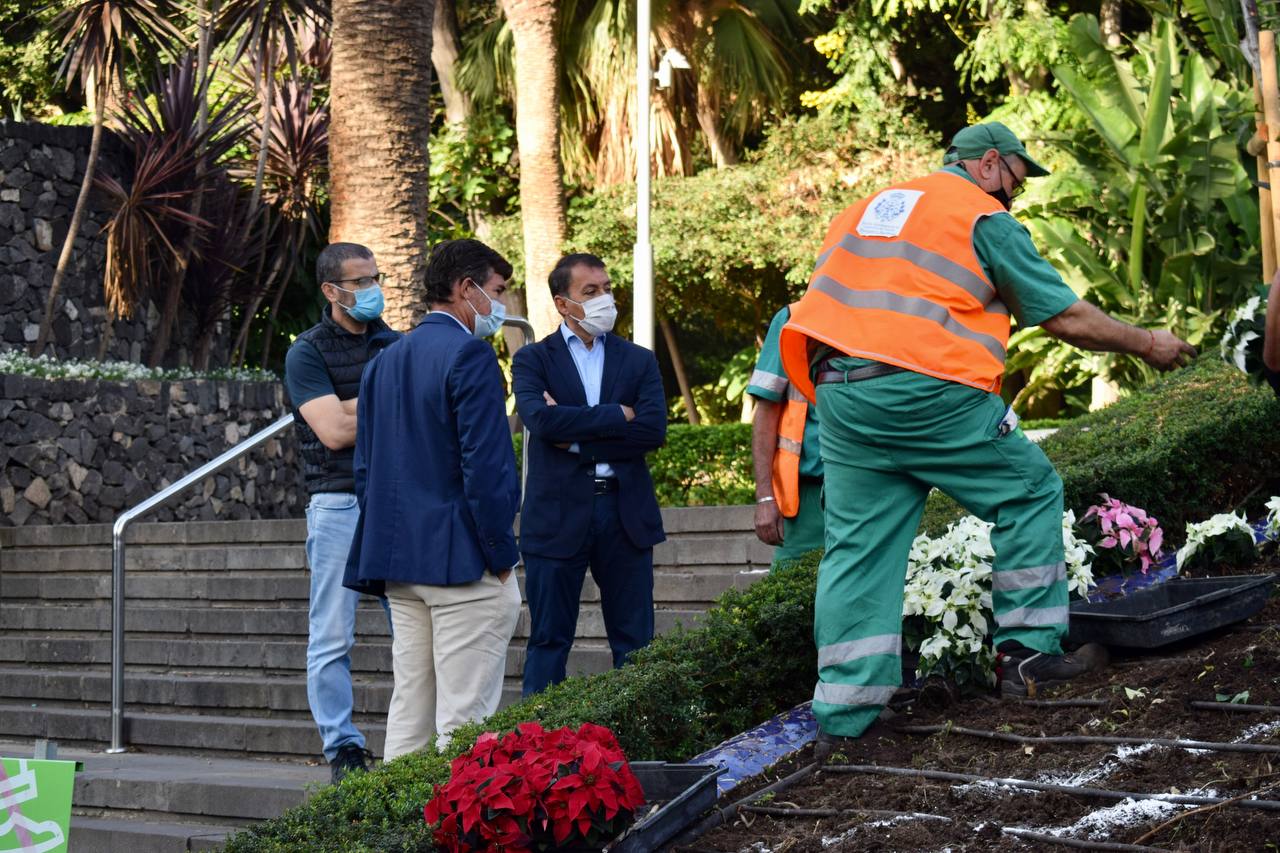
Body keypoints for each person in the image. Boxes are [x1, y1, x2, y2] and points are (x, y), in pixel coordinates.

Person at [778, 122, 1196, 754]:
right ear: (990, 164)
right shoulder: (978, 215)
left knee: (858, 548)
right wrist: (1149, 343)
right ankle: (1028, 658)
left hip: (838, 393)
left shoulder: (867, 210)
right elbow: (1064, 317)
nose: (1015, 198)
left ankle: (845, 715)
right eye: (1016, 182)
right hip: (925, 390)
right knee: (1029, 490)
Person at [343, 239, 522, 760]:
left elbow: (366, 470)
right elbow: (486, 468)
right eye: (496, 291)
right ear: (465, 289)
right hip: (463, 563)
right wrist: (502, 556)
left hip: (399, 562)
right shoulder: (469, 354)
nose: (500, 304)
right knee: (465, 724)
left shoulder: (384, 361)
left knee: (410, 713)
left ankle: (393, 833)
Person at [513, 253, 667, 697]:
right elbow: (541, 423)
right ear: (563, 304)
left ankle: (636, 741)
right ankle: (536, 751)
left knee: (637, 646)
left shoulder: (638, 360)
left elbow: (652, 430)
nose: (605, 299)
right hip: (556, 515)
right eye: (590, 292)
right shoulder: (532, 361)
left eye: (607, 288)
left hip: (626, 513)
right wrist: (618, 414)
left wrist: (575, 435)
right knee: (548, 641)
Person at [284, 242, 400, 784]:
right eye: (360, 281)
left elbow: (416, 414)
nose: (372, 288)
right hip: (337, 502)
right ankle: (344, 748)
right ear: (331, 291)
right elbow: (331, 432)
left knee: (414, 626)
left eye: (375, 277)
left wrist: (352, 403)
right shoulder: (307, 352)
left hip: (396, 499)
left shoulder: (396, 344)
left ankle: (414, 737)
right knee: (332, 635)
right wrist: (382, 402)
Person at [748, 305, 825, 566]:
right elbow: (766, 409)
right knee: (788, 599)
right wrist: (766, 497)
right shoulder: (795, 317)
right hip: (807, 498)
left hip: (871, 486)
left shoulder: (886, 314)